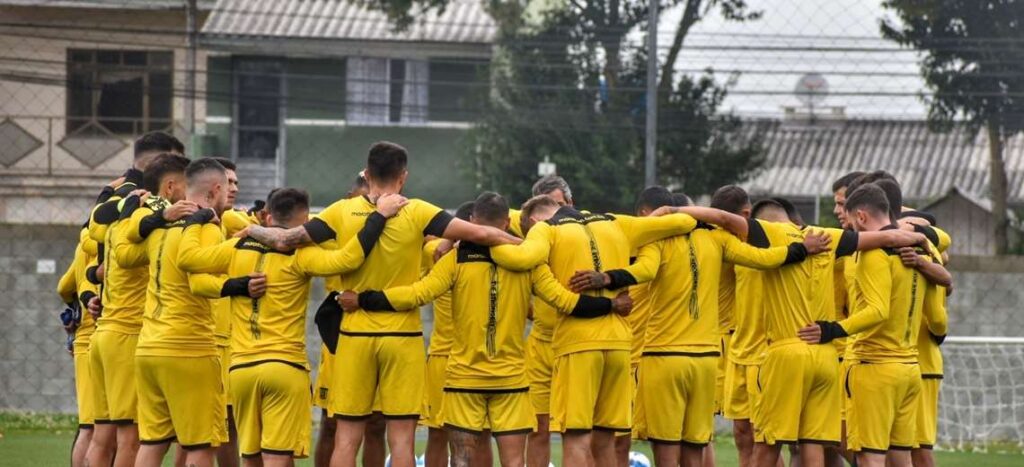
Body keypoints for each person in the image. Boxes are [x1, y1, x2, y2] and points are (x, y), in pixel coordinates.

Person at [239, 142, 520, 467]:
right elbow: (483, 234)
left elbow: (282, 239)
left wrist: (248, 228)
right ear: (403, 177)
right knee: (400, 439)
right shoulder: (418, 211)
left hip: (354, 336)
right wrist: (522, 245)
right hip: (402, 336)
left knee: (346, 438)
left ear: (367, 173)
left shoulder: (339, 212)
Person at [340, 191, 632, 467]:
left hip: (464, 379)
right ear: (506, 223)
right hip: (512, 380)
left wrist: (366, 298)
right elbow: (565, 302)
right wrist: (610, 306)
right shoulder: (529, 263)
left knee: (463, 461)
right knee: (515, 462)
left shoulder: (456, 260)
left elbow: (417, 294)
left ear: (472, 224)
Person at [570, 190, 828, 467]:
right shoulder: (718, 239)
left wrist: (606, 277)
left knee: (665, 450)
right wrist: (800, 248)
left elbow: (643, 271)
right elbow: (762, 258)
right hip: (705, 361)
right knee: (696, 448)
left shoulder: (658, 241)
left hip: (663, 357)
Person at [176, 187, 403, 467]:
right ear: (305, 219)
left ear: (269, 217)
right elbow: (349, 258)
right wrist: (378, 217)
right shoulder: (302, 254)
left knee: (250, 456)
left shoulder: (238, 246)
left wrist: (192, 223)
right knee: (278, 457)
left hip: (241, 368)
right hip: (285, 367)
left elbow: (187, 260)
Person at [486, 194, 703, 467]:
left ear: (533, 221)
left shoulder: (546, 230)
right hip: (620, 345)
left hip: (578, 345)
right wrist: (669, 209)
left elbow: (521, 259)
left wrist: (488, 240)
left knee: (576, 438)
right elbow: (683, 222)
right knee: (605, 441)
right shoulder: (614, 221)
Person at [798, 184, 947, 467]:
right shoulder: (920, 249)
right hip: (910, 369)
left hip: (874, 367)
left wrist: (831, 329)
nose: (855, 234)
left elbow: (877, 310)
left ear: (862, 217)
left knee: (870, 457)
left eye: (853, 224)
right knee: (901, 458)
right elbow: (938, 314)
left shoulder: (873, 252)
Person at [114, 157, 235, 467]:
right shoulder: (205, 228)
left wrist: (153, 218)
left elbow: (124, 254)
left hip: (149, 348)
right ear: (216, 189)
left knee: (153, 443)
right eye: (229, 187)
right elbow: (201, 281)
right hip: (188, 348)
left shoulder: (159, 226)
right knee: (198, 446)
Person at [84, 133, 185, 467]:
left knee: (103, 434)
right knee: (131, 437)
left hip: (104, 334)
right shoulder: (149, 209)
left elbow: (92, 228)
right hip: (127, 334)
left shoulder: (115, 213)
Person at [57, 226, 100, 467]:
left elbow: (64, 286)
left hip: (84, 340)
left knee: (88, 424)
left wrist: (75, 308)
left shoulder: (84, 245)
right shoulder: (124, 237)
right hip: (118, 338)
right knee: (115, 427)